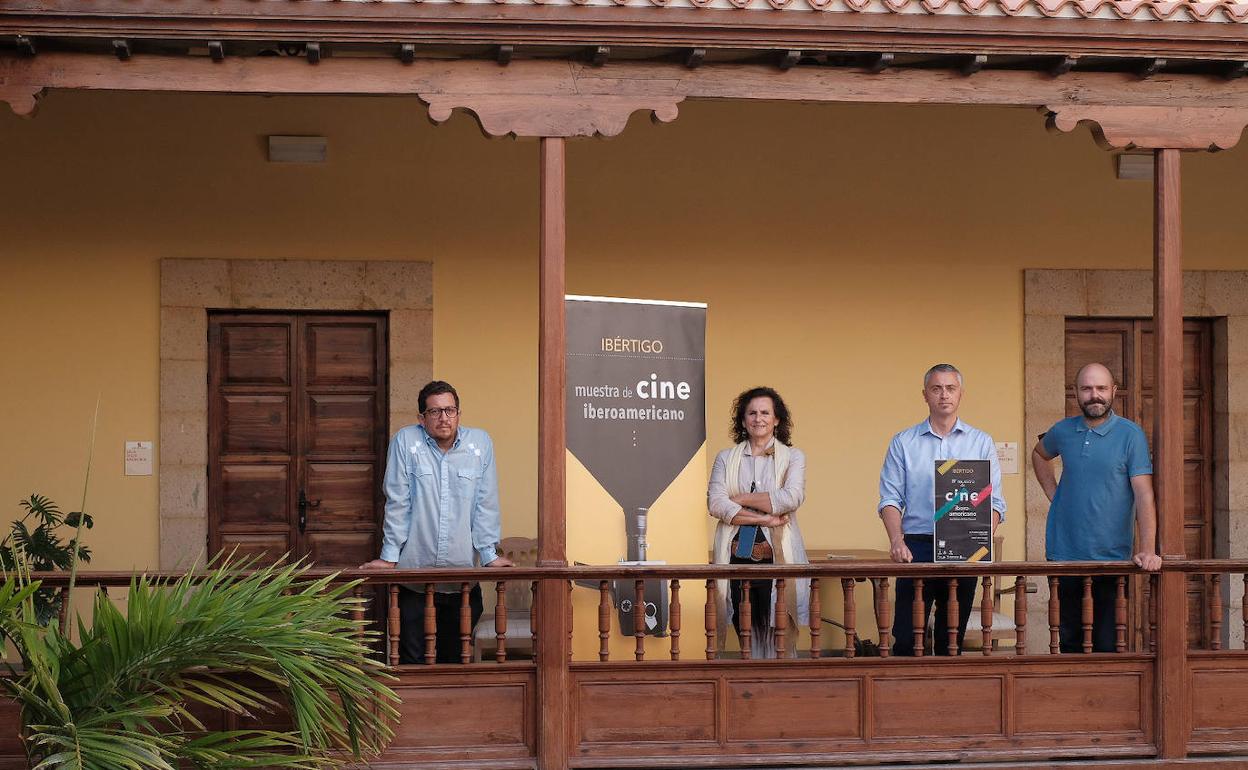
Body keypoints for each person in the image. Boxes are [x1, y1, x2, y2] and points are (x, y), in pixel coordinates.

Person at [360, 380, 513, 663]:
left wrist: (490, 555)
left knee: (456, 662)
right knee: (412, 660)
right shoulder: (406, 442)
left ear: (459, 413)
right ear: (421, 417)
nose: (444, 418)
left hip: (462, 582)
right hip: (415, 580)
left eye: (450, 410)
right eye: (435, 412)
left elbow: (485, 503)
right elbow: (398, 502)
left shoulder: (480, 444)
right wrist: (390, 557)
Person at [1032, 362, 1162, 653]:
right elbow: (1039, 455)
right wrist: (1055, 494)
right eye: (1087, 388)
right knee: (1067, 641)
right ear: (1075, 393)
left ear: (1113, 391)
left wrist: (1148, 548)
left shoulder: (1131, 435)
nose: (1095, 395)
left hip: (1111, 558)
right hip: (1064, 554)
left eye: (1101, 388)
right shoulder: (1062, 430)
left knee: (1107, 644)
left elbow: (1144, 495)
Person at [878, 363, 1005, 656]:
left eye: (950, 388)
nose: (943, 395)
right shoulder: (903, 442)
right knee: (908, 638)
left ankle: (946, 700)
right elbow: (890, 499)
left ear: (961, 394)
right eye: (936, 389)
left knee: (952, 640)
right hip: (917, 546)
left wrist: (979, 536)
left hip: (964, 546)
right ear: (925, 395)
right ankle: (906, 698)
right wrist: (897, 541)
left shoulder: (981, 442)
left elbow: (995, 503)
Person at [707, 386, 809, 658]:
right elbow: (716, 504)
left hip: (778, 555)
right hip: (736, 556)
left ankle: (780, 683)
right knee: (745, 626)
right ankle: (749, 680)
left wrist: (739, 499)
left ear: (777, 419)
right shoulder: (726, 458)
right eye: (751, 413)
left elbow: (791, 497)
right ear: (742, 420)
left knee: (779, 625)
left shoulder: (793, 457)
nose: (758, 418)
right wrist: (763, 517)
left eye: (765, 412)